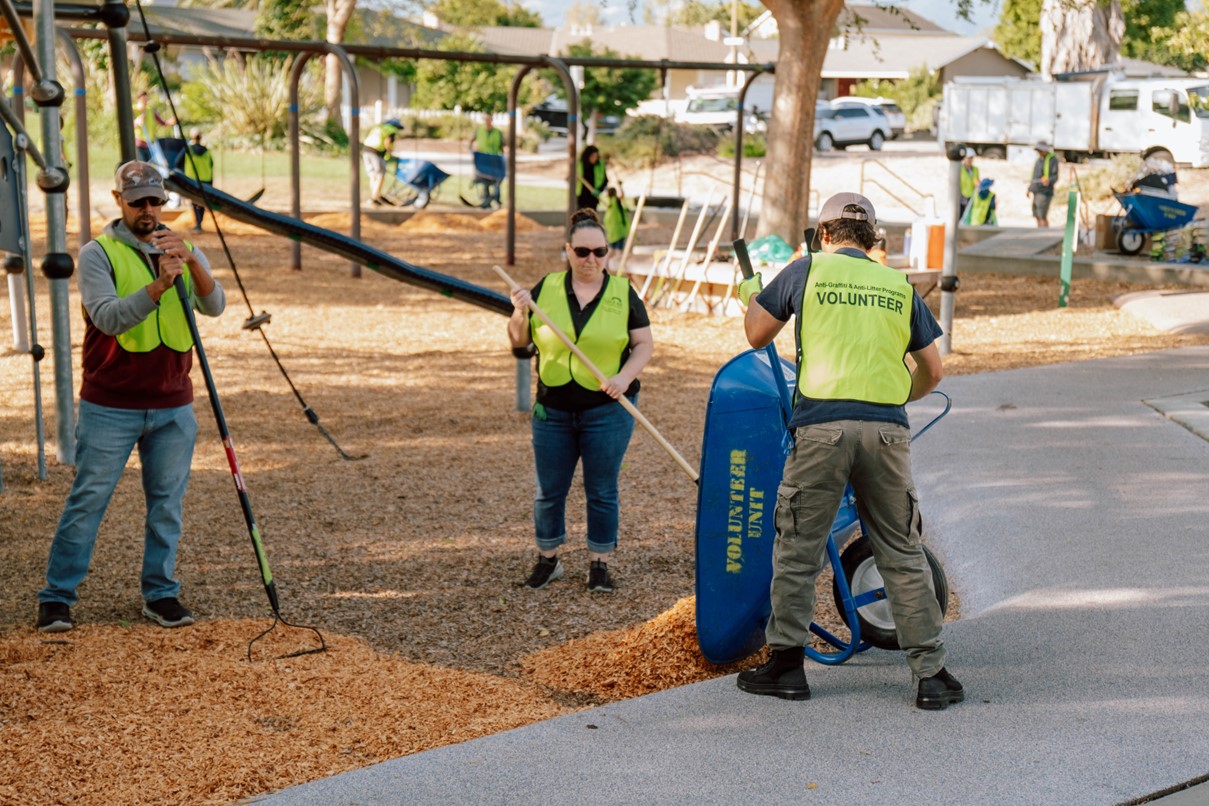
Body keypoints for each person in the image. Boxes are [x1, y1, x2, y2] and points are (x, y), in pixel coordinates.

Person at [733, 192, 962, 711]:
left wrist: (752, 294)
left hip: (821, 431)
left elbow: (755, 334)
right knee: (902, 551)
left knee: (798, 549)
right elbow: (934, 369)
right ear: (873, 240)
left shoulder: (806, 270)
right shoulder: (898, 285)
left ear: (824, 234)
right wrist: (899, 394)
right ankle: (931, 675)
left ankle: (787, 669)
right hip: (886, 434)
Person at [35, 160, 226, 634]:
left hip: (173, 403)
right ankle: (56, 598)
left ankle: (160, 593)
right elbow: (109, 318)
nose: (147, 209)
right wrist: (160, 285)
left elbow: (215, 305)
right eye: (137, 200)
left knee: (167, 503)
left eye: (155, 200)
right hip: (111, 403)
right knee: (88, 500)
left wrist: (194, 265)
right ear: (118, 200)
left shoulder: (181, 247)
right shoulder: (97, 254)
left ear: (164, 202)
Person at [506, 208, 653, 593]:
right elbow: (519, 341)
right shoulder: (544, 289)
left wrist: (624, 378)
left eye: (600, 252)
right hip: (552, 410)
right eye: (582, 252)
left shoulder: (624, 293)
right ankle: (548, 559)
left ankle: (599, 562)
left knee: (602, 490)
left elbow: (643, 345)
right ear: (567, 250)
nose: (591, 260)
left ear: (608, 252)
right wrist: (519, 311)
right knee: (549, 490)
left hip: (607, 411)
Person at [175, 127, 214, 233]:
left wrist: (183, 175)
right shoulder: (206, 151)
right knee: (201, 202)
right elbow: (211, 165)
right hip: (206, 180)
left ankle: (198, 224)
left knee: (195, 202)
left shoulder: (188, 149)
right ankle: (199, 223)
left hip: (192, 181)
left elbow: (177, 163)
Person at [363, 117, 403, 206]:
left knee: (372, 175)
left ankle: (376, 195)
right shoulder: (391, 130)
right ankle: (374, 197)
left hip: (366, 151)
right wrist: (390, 151)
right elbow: (387, 142)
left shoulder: (379, 127)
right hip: (376, 153)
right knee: (380, 174)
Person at [469, 112, 506, 208]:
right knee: (485, 180)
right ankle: (487, 200)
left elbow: (502, 146)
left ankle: (497, 200)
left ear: (491, 120)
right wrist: (472, 151)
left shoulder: (497, 132)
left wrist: (503, 157)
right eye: (485, 119)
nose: (487, 121)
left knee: (496, 181)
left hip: (494, 159)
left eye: (489, 119)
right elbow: (471, 141)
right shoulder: (479, 130)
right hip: (483, 159)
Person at [134, 90, 177, 163]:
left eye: (146, 99)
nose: (145, 101)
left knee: (149, 165)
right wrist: (137, 122)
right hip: (139, 143)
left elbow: (162, 122)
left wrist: (170, 122)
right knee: (141, 165)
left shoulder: (150, 109)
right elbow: (130, 126)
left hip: (149, 143)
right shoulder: (134, 109)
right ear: (139, 99)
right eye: (143, 99)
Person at [1028, 142, 1060, 227]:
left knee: (1042, 214)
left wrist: (1048, 181)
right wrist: (1029, 188)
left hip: (1045, 192)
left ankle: (1044, 232)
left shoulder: (1052, 160)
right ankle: (1039, 231)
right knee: (1037, 214)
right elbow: (1034, 176)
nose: (1039, 152)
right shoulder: (1039, 160)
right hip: (1036, 190)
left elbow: (1055, 176)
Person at [602, 185, 630, 265]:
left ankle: (604, 266)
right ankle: (619, 269)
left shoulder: (609, 204)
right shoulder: (615, 202)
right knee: (618, 252)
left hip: (612, 234)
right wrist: (621, 186)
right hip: (619, 232)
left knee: (611, 250)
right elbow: (622, 196)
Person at [576, 145, 608, 211]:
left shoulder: (600, 165)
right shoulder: (579, 164)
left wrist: (599, 190)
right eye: (593, 156)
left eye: (596, 156)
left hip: (593, 198)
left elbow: (605, 180)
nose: (595, 158)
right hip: (581, 197)